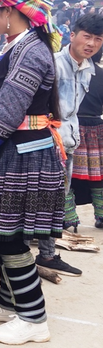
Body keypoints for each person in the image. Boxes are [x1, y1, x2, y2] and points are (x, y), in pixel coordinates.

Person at [0, 0, 65, 345]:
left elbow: (9, 108)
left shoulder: (32, 51)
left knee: (10, 235)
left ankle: (34, 318)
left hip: (27, 154)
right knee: (5, 229)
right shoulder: (18, 46)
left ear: (9, 12)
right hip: (17, 150)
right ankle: (10, 302)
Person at [53, 13, 103, 240]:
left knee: (65, 184)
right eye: (88, 37)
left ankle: (64, 224)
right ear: (72, 36)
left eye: (99, 39)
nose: (92, 43)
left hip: (76, 135)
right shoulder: (54, 64)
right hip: (56, 137)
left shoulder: (90, 69)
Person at [71, 48, 103, 228]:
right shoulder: (101, 74)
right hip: (97, 129)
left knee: (67, 176)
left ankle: (67, 217)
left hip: (73, 127)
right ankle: (102, 214)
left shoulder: (70, 73)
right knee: (99, 176)